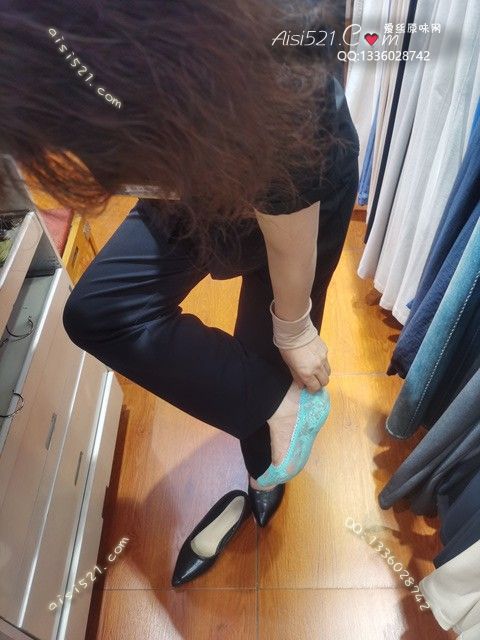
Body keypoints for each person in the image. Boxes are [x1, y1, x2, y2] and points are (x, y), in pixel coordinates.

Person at [0, 0, 359, 527]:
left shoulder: (275, 43)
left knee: (274, 346)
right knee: (100, 311)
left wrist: (295, 327)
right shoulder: (50, 45)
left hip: (297, 195)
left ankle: (263, 470)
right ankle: (270, 407)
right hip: (188, 167)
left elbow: (290, 190)